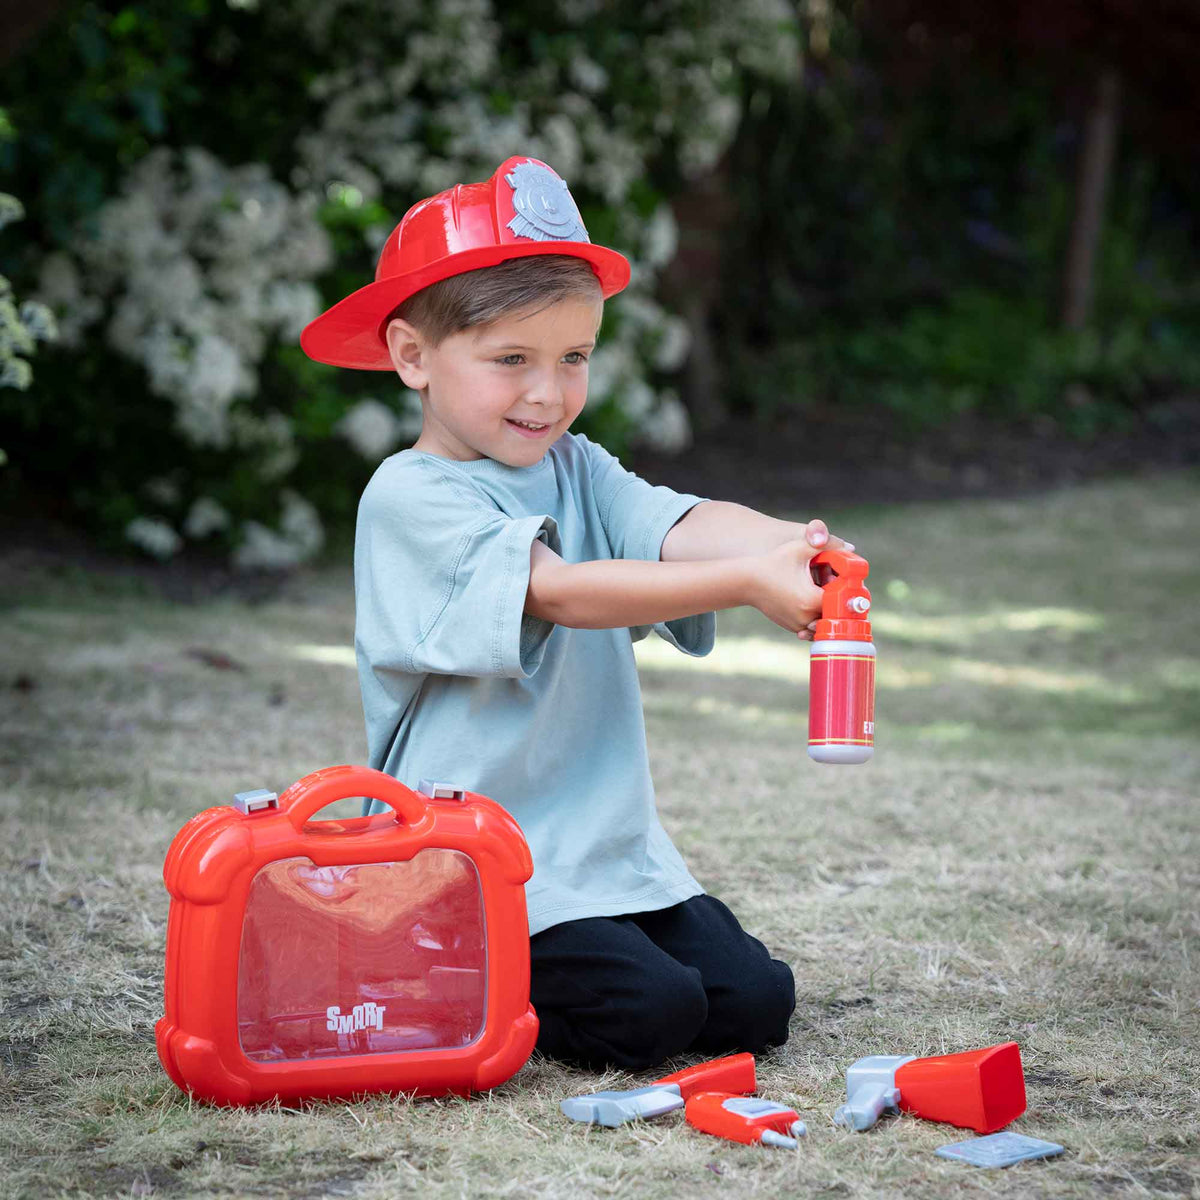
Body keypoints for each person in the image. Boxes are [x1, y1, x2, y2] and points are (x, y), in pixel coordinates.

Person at [300, 157, 850, 1071]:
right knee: (650, 1016)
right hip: (472, 861)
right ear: (412, 357)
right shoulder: (410, 496)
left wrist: (791, 542)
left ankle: (589, 954)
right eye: (510, 359)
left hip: (600, 847)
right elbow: (557, 590)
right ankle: (439, 973)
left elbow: (676, 524)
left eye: (573, 358)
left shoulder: (578, 465)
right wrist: (748, 583)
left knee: (755, 1002)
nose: (547, 392)